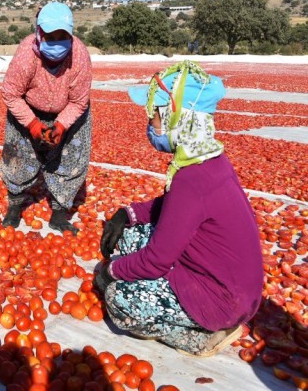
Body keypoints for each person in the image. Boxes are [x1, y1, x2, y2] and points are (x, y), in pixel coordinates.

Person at [96, 61, 263, 357]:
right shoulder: (209, 160)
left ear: (181, 118)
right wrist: (129, 214)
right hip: (235, 289)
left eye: (157, 115)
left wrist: (111, 270)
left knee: (120, 300)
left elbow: (155, 262)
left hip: (220, 301)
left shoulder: (191, 179)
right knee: (130, 237)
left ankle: (201, 337)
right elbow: (177, 209)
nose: (150, 123)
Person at [0, 1, 92, 234]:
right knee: (17, 156)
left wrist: (61, 125)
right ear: (39, 33)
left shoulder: (79, 56)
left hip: (69, 111)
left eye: (63, 36)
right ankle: (15, 205)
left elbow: (79, 101)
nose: (57, 42)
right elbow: (11, 94)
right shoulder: (25, 55)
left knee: (71, 158)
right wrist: (32, 124)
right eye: (51, 36)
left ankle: (59, 213)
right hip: (28, 109)